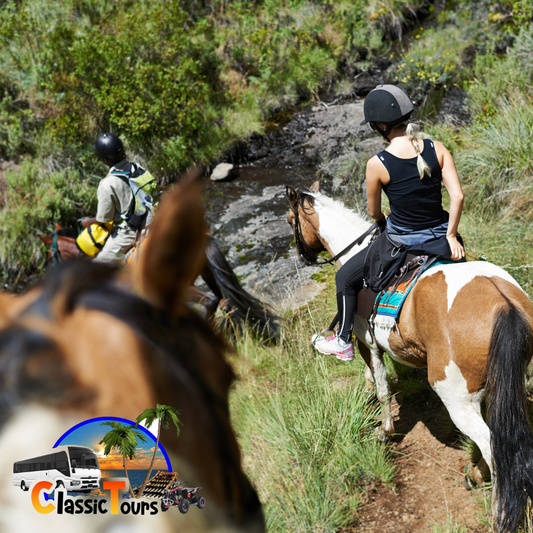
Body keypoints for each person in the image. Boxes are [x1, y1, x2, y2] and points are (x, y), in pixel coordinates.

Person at [313, 84, 465, 361]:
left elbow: (373, 213)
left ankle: (344, 340)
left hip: (402, 242)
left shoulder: (377, 164)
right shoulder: (437, 148)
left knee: (344, 277)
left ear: (381, 126)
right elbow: (458, 197)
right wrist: (452, 236)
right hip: (441, 237)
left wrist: (383, 220)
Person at [81, 132, 141, 265]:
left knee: (97, 267)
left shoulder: (107, 184)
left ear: (104, 159)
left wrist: (89, 221)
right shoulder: (136, 167)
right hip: (150, 221)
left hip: (129, 233)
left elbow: (105, 218)